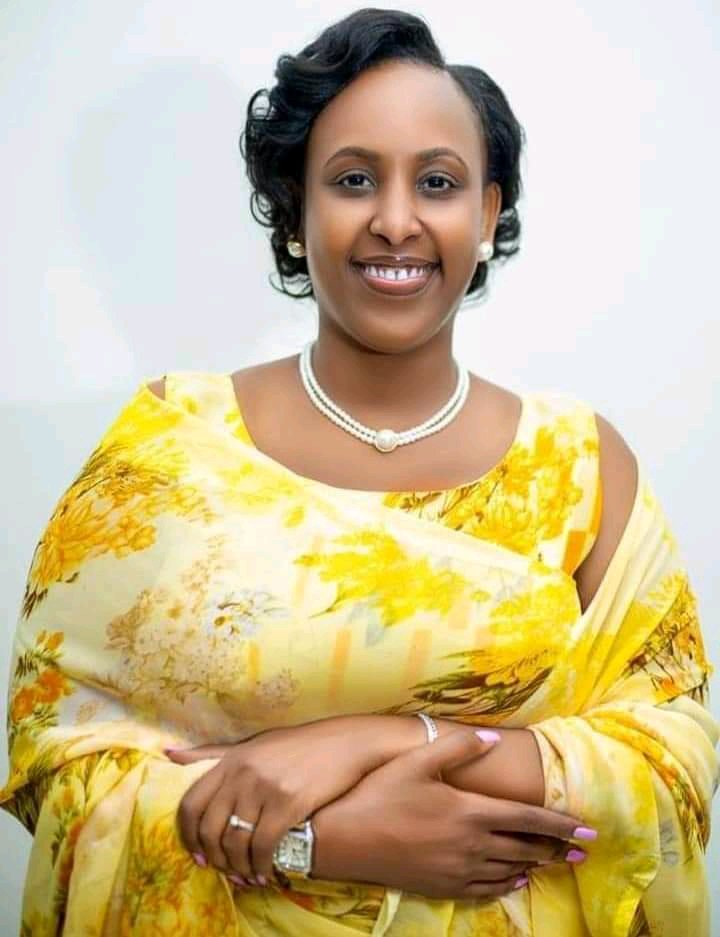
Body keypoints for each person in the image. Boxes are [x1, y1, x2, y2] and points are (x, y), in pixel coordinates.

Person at [2, 8, 718, 936]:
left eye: (437, 182)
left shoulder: (579, 465)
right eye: (352, 180)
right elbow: (52, 759)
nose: (395, 220)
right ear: (295, 210)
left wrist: (373, 740)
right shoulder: (172, 448)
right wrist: (327, 840)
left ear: (486, 214)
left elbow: (672, 755)